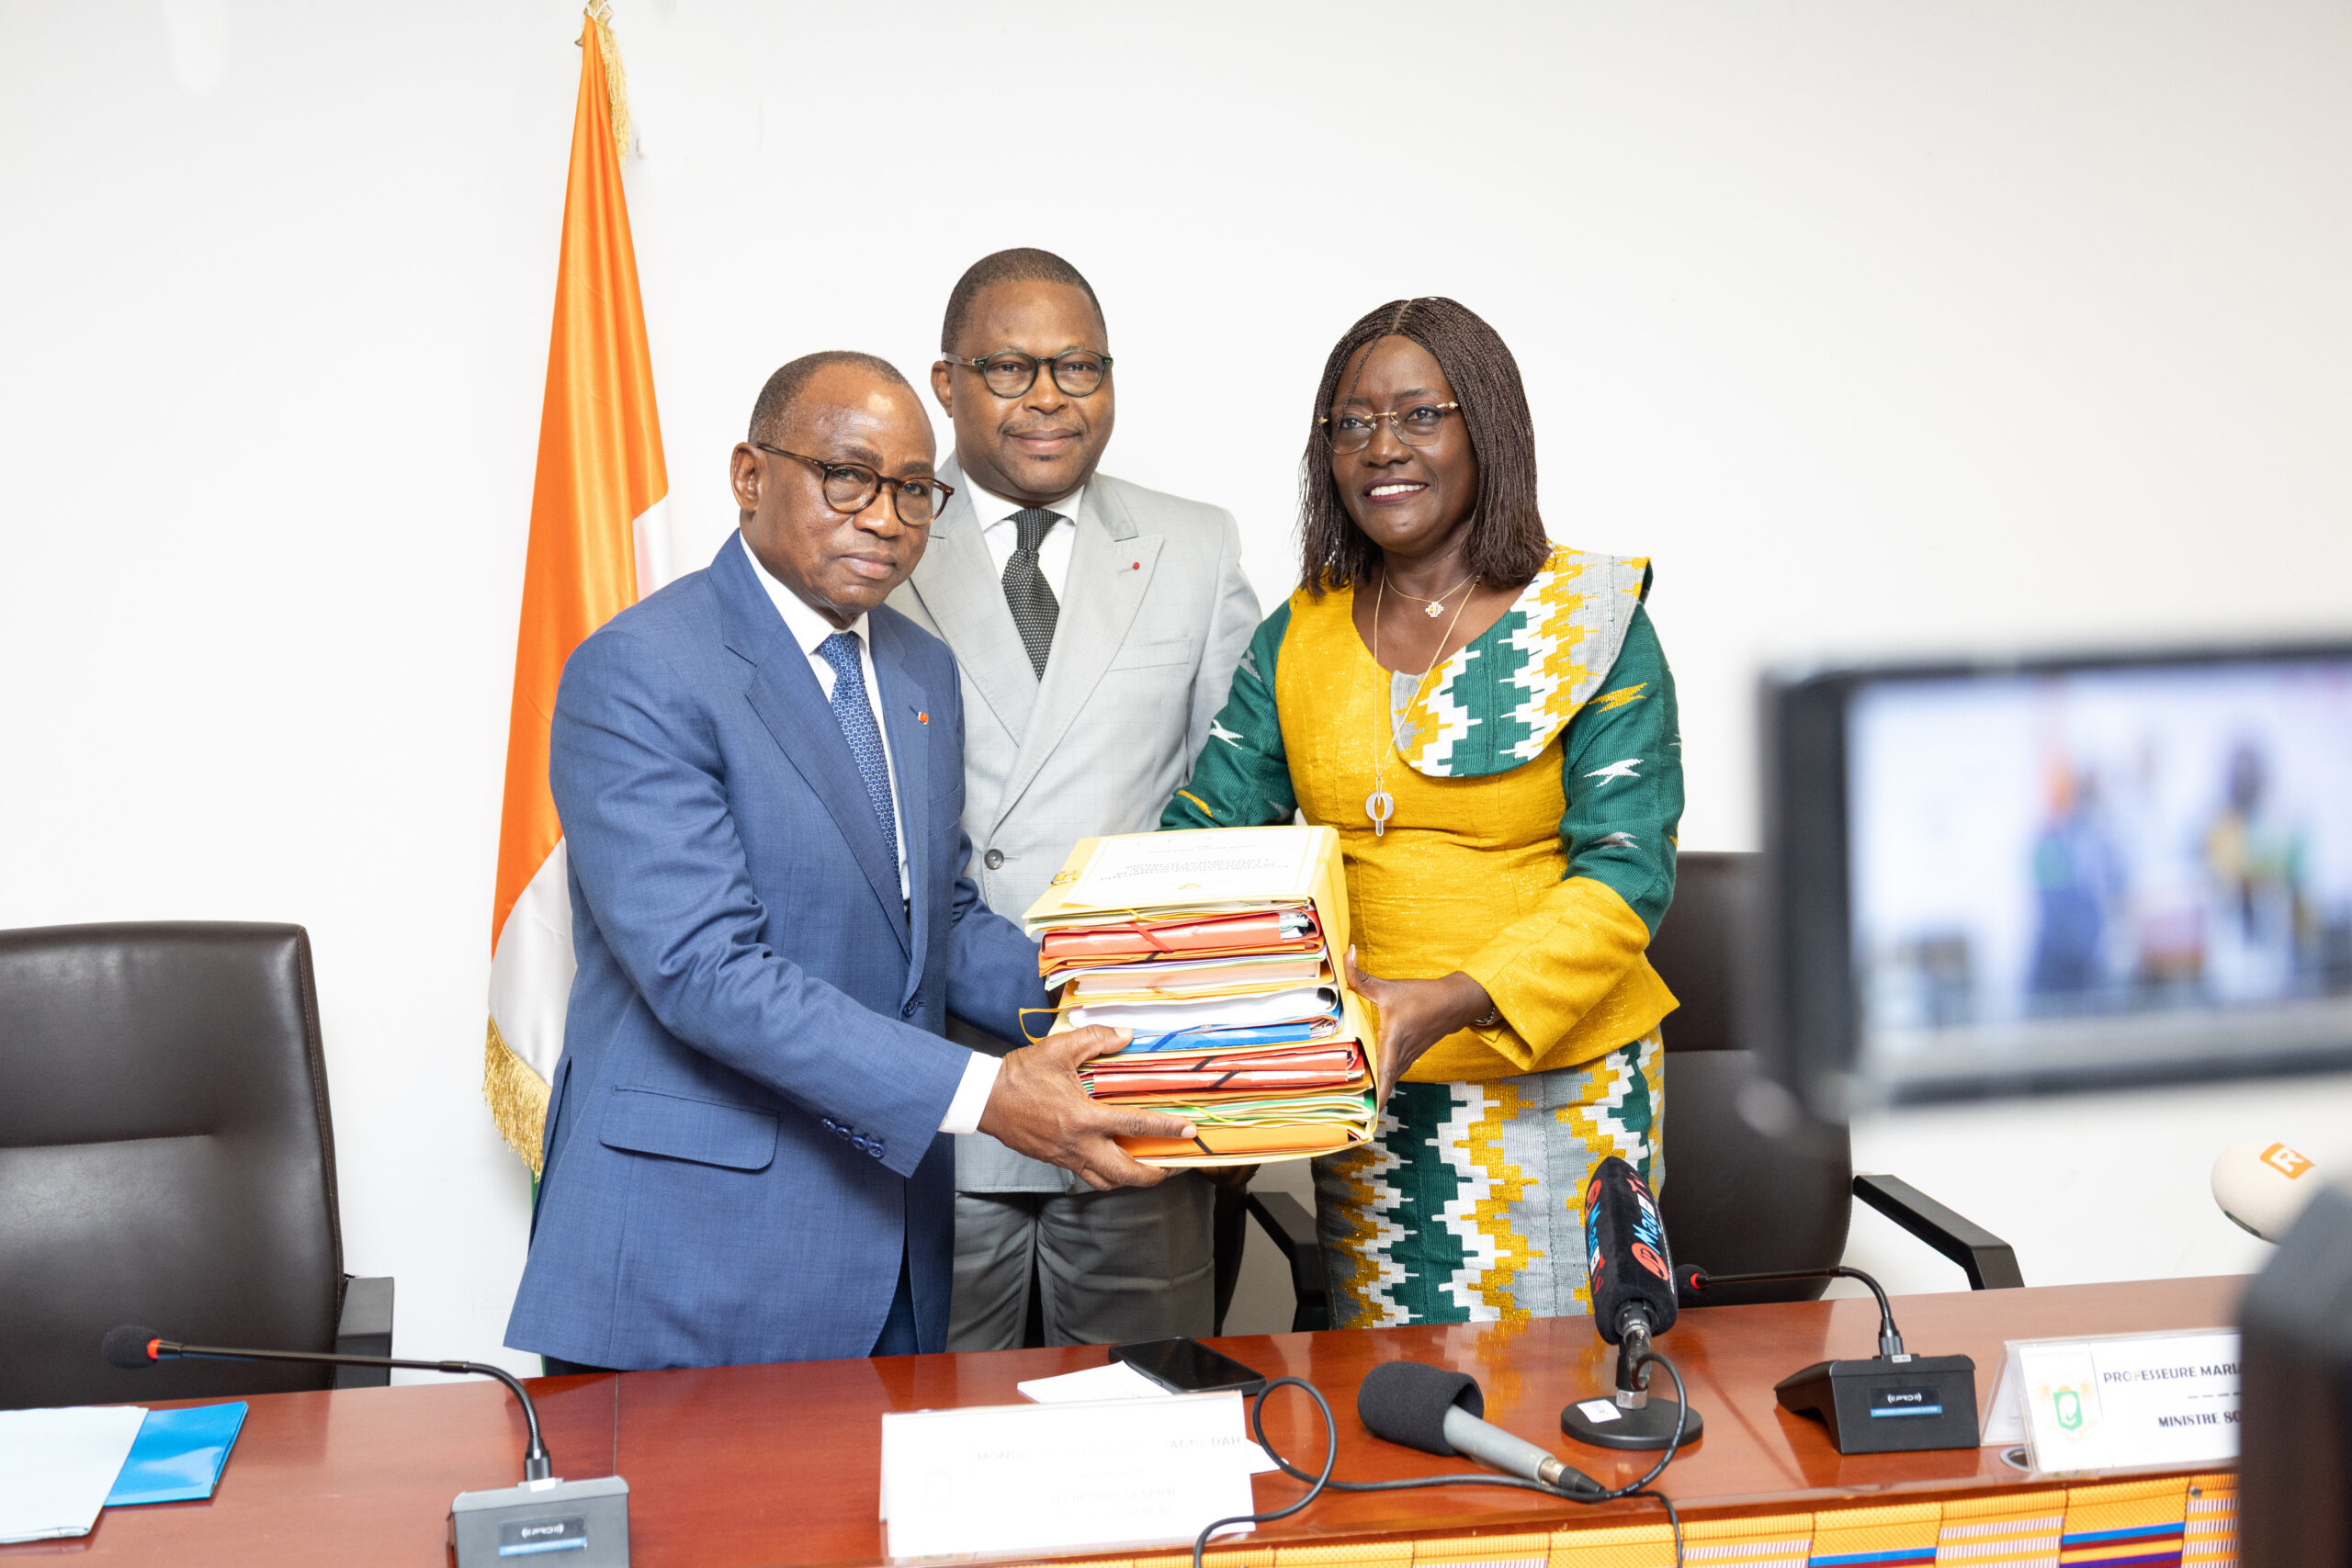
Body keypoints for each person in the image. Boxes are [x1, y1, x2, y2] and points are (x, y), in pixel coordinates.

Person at [504, 351, 1193, 1371]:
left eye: (913, 489)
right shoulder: (641, 669)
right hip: (687, 1257)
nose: (884, 517)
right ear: (750, 476)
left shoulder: (920, 672)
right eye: (847, 477)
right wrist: (988, 1095)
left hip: (890, 1242)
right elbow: (706, 972)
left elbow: (938, 922)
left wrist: (1156, 1000)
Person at [1161, 298, 1684, 1327]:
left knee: (1574, 1389)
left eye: (1418, 415)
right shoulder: (1297, 634)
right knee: (1399, 1397)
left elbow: (1628, 874)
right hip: (1375, 1102)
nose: (1382, 448)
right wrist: (1159, 1009)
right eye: (1351, 424)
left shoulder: (1592, 618)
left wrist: (1444, 999)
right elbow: (1207, 841)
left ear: (1486, 428)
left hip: (1567, 1093)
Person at [887, 249, 1261, 1349]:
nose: (1048, 397)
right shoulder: (874, 537)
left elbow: (1241, 810)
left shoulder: (1196, 544)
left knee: (1147, 1419)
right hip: (943, 1089)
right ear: (946, 382)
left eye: (1078, 366)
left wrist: (1220, 1051)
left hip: (1137, 1083)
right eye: (1009, 368)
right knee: (937, 1424)